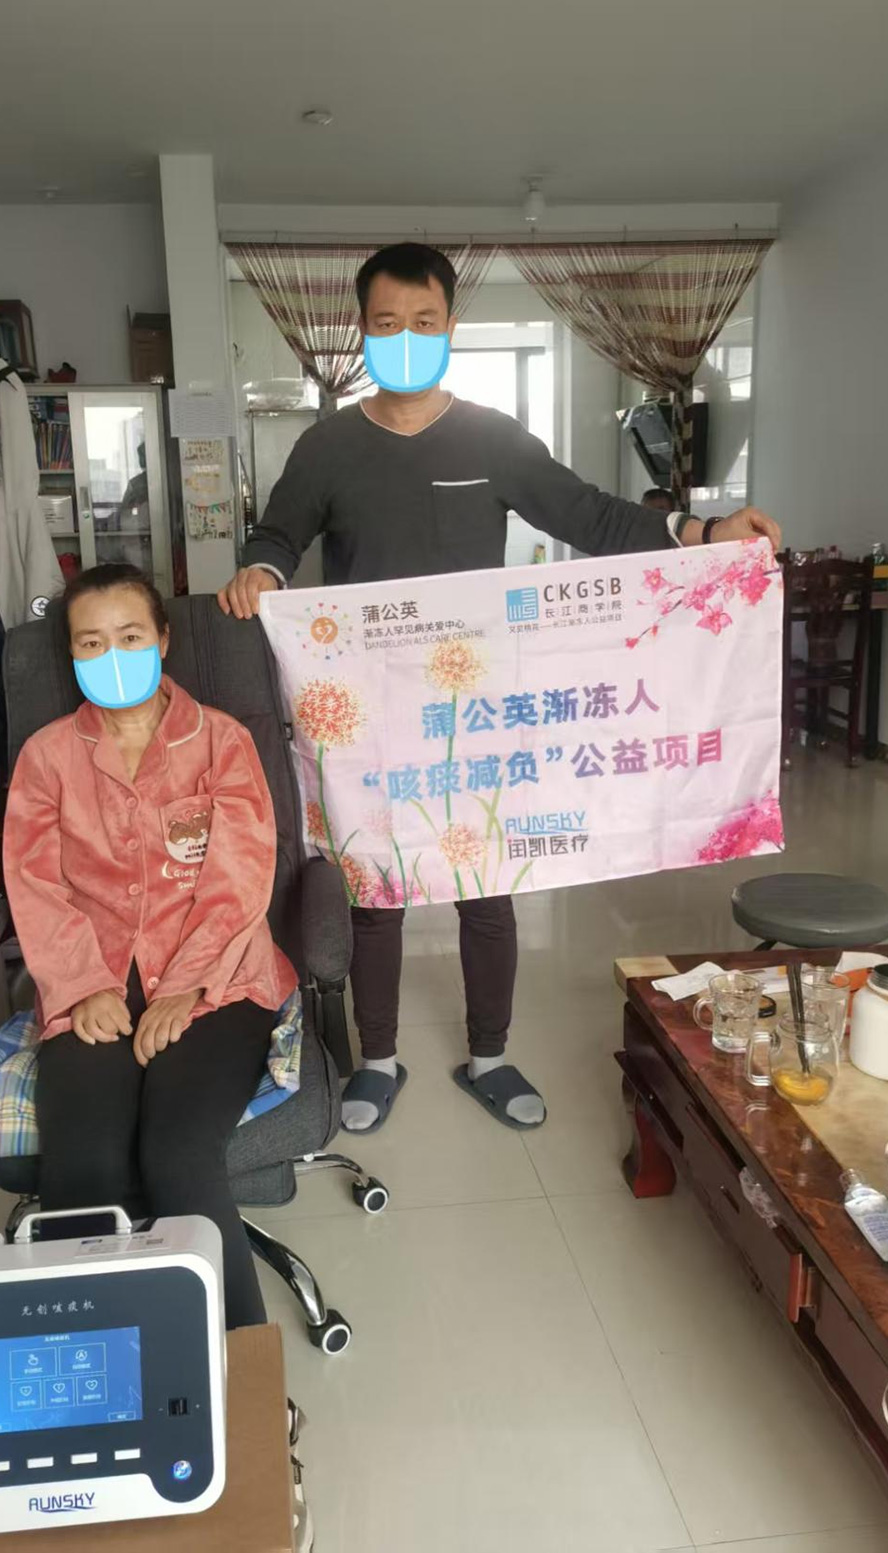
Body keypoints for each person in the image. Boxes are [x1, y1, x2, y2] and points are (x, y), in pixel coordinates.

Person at [219, 241, 782, 1136]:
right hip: (372, 712)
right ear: (363, 331)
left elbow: (589, 514)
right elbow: (278, 534)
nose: (407, 337)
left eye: (425, 321)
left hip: (477, 706)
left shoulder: (491, 438)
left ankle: (489, 1053)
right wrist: (262, 570)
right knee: (377, 887)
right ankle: (377, 1058)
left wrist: (705, 530)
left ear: (451, 326)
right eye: (387, 323)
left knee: (487, 881)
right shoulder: (327, 447)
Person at [3, 562, 297, 1327]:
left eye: (130, 636)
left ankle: (241, 1367)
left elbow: (239, 878)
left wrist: (186, 987)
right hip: (93, 980)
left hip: (217, 978)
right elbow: (34, 883)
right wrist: (81, 986)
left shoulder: (222, 742)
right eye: (90, 642)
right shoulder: (46, 757)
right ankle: (102, 1364)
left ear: (163, 640)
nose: (112, 655)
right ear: (71, 653)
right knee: (85, 1167)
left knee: (179, 1157)